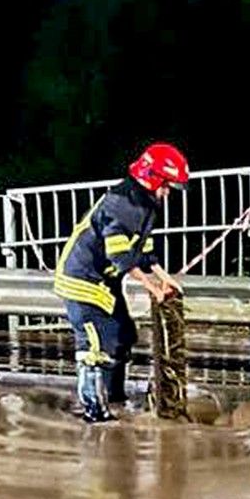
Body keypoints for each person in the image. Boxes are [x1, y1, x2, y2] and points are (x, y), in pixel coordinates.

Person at [52, 142, 186, 422]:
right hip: (82, 282)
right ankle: (95, 413)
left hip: (105, 282)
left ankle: (115, 398)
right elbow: (121, 256)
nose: (167, 193)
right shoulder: (121, 204)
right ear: (152, 178)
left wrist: (165, 278)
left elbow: (143, 250)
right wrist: (151, 287)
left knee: (122, 336)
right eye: (166, 186)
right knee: (95, 348)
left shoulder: (146, 204)